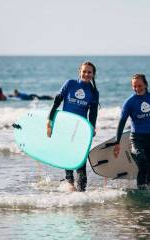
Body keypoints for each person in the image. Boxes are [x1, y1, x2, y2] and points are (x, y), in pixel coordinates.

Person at [47, 61, 99, 192]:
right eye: (84, 71)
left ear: (93, 75)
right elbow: (57, 101)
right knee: (67, 156)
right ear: (79, 72)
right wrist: (49, 120)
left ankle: (81, 193)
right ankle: (69, 184)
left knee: (81, 162)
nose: (86, 74)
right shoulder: (70, 84)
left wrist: (92, 127)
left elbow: (93, 112)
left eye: (89, 72)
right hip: (66, 126)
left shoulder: (93, 92)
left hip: (81, 129)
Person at [113, 74, 150, 189]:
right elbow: (122, 122)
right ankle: (141, 192)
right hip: (137, 139)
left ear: (146, 84)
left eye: (139, 85)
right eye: (134, 86)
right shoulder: (129, 102)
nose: (137, 88)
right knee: (143, 164)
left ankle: (149, 191)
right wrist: (117, 142)